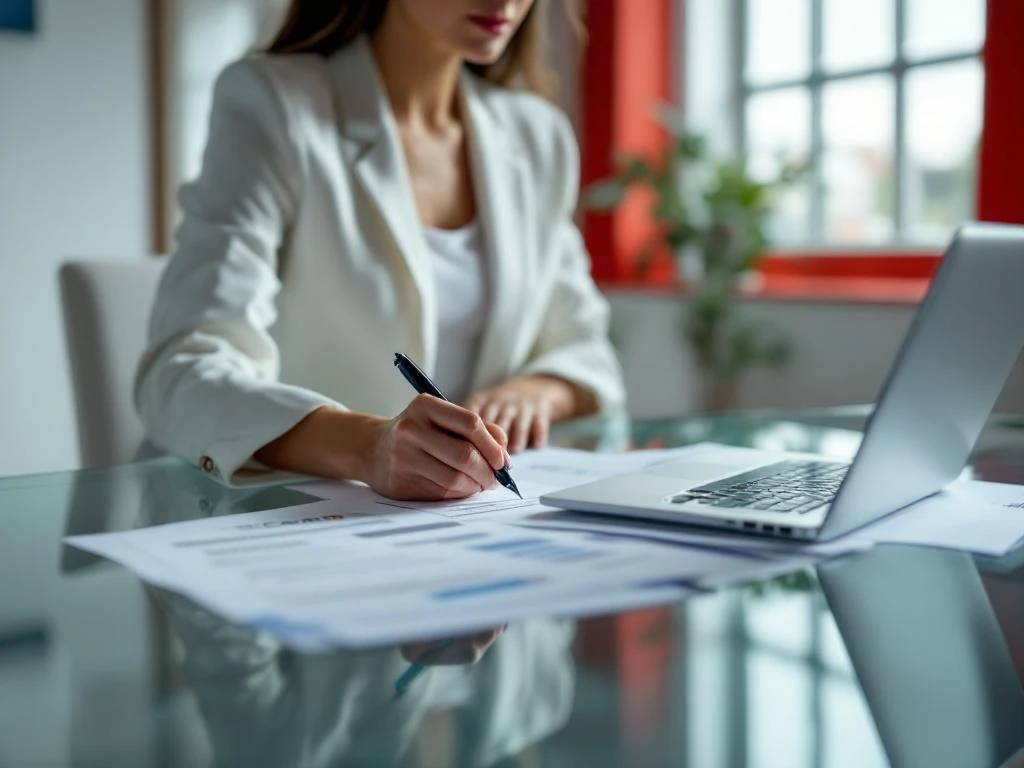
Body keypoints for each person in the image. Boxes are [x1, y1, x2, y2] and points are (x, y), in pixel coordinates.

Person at [135, 0, 624, 500]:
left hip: (462, 527)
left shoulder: (536, 137)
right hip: (275, 518)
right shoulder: (274, 104)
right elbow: (183, 373)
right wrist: (367, 447)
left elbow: (587, 353)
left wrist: (535, 391)